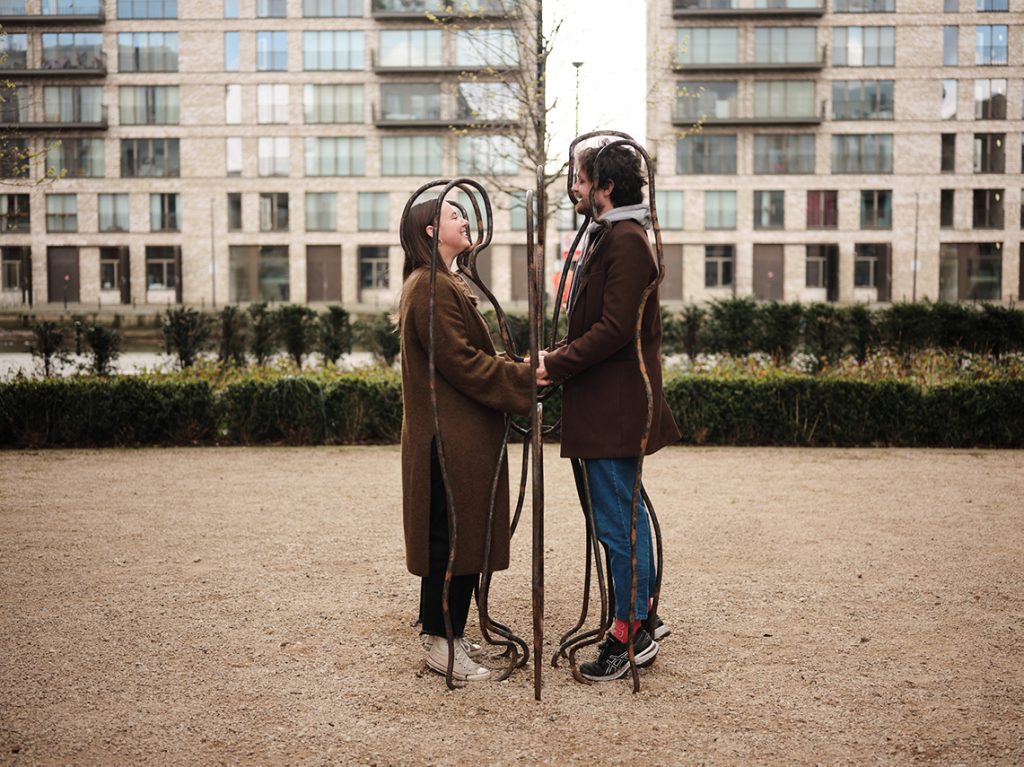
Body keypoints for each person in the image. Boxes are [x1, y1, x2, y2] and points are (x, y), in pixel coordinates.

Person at [537, 140, 681, 682]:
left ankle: (628, 633)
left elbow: (615, 329)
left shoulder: (625, 240)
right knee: (622, 519)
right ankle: (641, 614)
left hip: (615, 408)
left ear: (606, 187)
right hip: (607, 405)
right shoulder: (616, 236)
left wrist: (556, 364)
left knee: (618, 525)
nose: (573, 188)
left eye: (579, 179)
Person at [398, 196, 534, 683]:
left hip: (462, 437)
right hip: (448, 441)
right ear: (432, 231)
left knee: (463, 534)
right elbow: (461, 361)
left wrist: (517, 375)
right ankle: (440, 643)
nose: (465, 221)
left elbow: (465, 359)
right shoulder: (430, 288)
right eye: (455, 215)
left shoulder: (443, 284)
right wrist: (522, 381)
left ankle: (451, 635)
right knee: (450, 539)